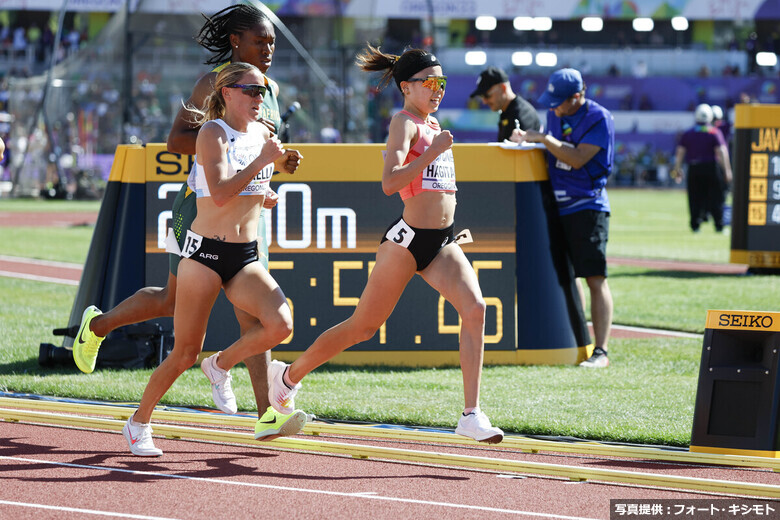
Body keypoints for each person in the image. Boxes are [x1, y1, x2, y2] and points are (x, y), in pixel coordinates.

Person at [73, 4, 305, 441]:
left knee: (253, 315)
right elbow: (177, 139)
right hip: (200, 207)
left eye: (272, 41)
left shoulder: (268, 89)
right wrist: (228, 150)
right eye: (260, 41)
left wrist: (274, 166)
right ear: (236, 41)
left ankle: (264, 414)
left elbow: (256, 147)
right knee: (170, 303)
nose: (268, 49)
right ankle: (98, 326)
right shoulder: (213, 84)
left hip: (246, 211)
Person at [266, 44, 504, 444]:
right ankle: (288, 376)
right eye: (429, 82)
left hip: (442, 243)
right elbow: (391, 182)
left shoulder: (433, 126)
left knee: (476, 309)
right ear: (407, 88)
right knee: (363, 327)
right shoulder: (404, 123)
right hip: (407, 242)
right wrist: (435, 153)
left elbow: (438, 191)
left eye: (441, 82)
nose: (437, 89)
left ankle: (471, 414)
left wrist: (450, 221)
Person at [122, 62, 295, 456]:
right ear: (228, 92)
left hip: (244, 256)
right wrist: (262, 162)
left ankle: (220, 364)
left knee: (281, 324)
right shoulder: (212, 133)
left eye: (263, 90)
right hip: (205, 253)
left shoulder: (263, 133)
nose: (259, 98)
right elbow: (217, 193)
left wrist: (264, 194)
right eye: (251, 90)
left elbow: (249, 188)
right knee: (184, 352)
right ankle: (138, 422)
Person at [511, 68, 614, 368]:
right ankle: (578, 339)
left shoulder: (599, 117)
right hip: (558, 206)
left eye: (559, 101)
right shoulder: (556, 114)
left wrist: (541, 138)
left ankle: (602, 351)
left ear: (578, 97)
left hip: (587, 206)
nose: (554, 107)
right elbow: (553, 150)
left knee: (595, 278)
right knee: (568, 277)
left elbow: (578, 157)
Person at [672, 104, 732, 233]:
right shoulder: (714, 132)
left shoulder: (689, 132)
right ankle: (719, 225)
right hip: (711, 168)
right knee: (716, 196)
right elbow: (722, 152)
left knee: (694, 197)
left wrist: (677, 169)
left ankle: (695, 225)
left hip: (694, 168)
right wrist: (727, 170)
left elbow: (680, 153)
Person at [470, 66, 540, 141]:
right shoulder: (507, 110)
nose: (484, 101)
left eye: (487, 96)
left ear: (503, 87)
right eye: (481, 97)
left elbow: (521, 151)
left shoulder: (522, 114)